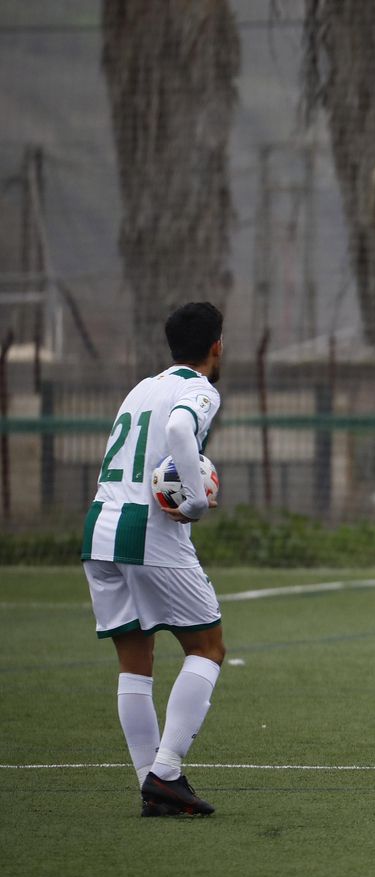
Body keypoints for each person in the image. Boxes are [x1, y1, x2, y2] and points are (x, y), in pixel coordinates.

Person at [82, 301, 226, 817]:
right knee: (207, 647)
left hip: (100, 528)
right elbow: (180, 433)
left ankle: (153, 785)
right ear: (217, 345)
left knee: (134, 662)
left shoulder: (140, 388)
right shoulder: (198, 388)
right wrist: (196, 497)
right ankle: (165, 772)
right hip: (148, 530)